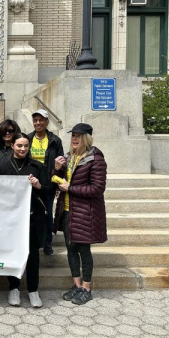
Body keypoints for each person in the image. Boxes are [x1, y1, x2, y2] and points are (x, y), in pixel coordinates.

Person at [51, 123, 107, 306]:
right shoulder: (69, 157)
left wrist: (71, 188)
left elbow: (97, 189)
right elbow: (57, 180)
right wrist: (57, 169)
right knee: (71, 249)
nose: (74, 139)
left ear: (87, 139)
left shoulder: (95, 159)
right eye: (73, 135)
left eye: (78, 136)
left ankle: (86, 288)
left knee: (84, 250)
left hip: (85, 213)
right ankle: (76, 285)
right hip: (67, 211)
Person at [0, 132, 49, 308]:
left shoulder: (36, 166)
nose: (22, 149)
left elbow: (49, 189)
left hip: (32, 217)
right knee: (13, 252)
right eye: (19, 145)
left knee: (33, 255)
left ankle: (33, 290)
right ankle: (14, 288)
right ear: (12, 145)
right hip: (11, 218)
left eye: (26, 146)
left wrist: (38, 185)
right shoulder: (4, 165)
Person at [30, 109, 65, 255]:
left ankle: (47, 243)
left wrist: (57, 184)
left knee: (47, 214)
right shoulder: (27, 138)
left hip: (48, 183)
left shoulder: (55, 140)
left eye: (41, 120)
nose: (38, 123)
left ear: (46, 122)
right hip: (31, 182)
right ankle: (33, 241)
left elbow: (61, 163)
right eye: (35, 120)